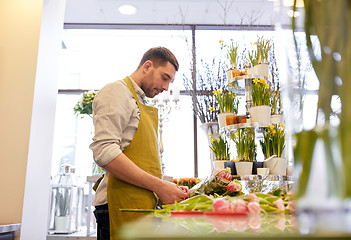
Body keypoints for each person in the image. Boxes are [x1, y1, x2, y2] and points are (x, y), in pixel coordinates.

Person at [90, 47, 189, 240]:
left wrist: (167, 188)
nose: (167, 87)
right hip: (117, 207)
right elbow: (104, 152)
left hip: (138, 208)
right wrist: (159, 186)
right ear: (147, 66)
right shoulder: (116, 92)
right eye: (165, 77)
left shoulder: (139, 101)